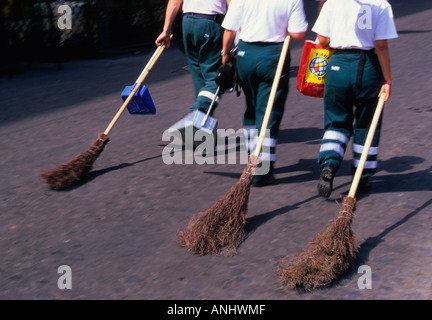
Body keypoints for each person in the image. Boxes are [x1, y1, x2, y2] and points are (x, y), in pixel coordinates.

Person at [312, 0, 398, 198]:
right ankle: (362, 175)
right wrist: (387, 80)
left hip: (337, 66)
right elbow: (381, 45)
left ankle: (329, 163)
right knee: (367, 124)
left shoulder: (331, 3)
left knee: (335, 121)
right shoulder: (381, 4)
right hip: (366, 65)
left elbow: (323, 41)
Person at [220, 0, 308, 186]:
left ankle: (252, 161)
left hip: (245, 55)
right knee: (269, 112)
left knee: (251, 109)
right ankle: (261, 170)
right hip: (273, 55)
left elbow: (230, 30)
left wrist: (225, 55)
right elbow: (298, 33)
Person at [156, 0, 231, 120]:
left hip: (188, 23)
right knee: (216, 78)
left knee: (199, 79)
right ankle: (196, 115)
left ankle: (200, 134)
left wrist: (166, 30)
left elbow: (174, 2)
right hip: (209, 22)